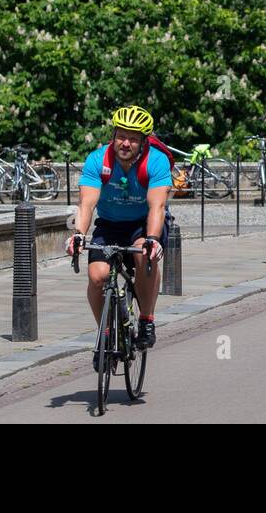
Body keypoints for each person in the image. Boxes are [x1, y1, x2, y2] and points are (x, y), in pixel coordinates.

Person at [66, 105, 171, 354]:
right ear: (113, 135)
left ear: (143, 142)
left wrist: (153, 239)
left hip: (142, 224)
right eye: (121, 136)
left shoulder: (156, 162)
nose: (125, 143)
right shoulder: (97, 160)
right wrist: (78, 234)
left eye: (133, 139)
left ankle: (146, 319)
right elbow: (86, 204)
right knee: (97, 276)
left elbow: (157, 206)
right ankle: (107, 335)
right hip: (110, 224)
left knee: (143, 252)